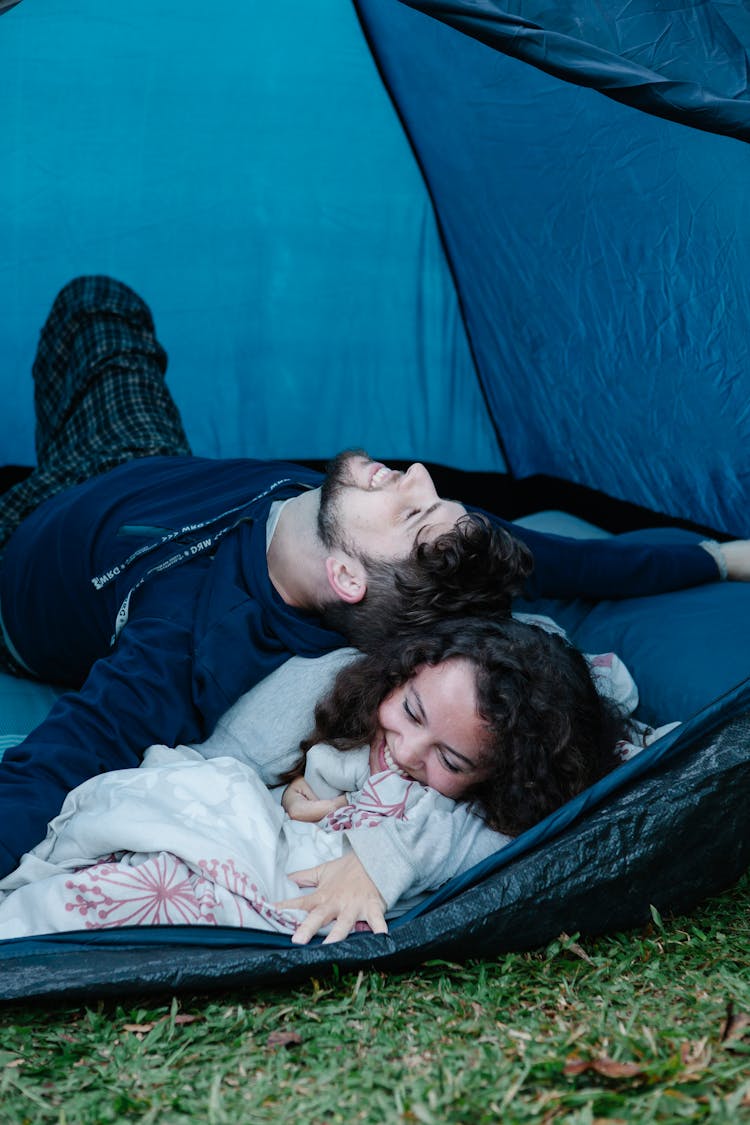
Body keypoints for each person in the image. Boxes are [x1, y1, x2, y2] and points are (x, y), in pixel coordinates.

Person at [0, 275, 747, 884]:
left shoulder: (188, 636)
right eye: (430, 498)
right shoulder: (403, 552)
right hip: (144, 457)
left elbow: (64, 756)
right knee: (97, 301)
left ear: (347, 576)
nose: (417, 474)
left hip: (22, 547)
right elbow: (582, 559)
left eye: (413, 512)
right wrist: (717, 558)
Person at [0, 616, 643, 942]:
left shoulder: (485, 803)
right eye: (411, 711)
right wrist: (288, 803)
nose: (408, 752)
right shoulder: (321, 687)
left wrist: (378, 858)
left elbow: (517, 833)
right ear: (402, 672)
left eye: (450, 761)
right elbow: (207, 775)